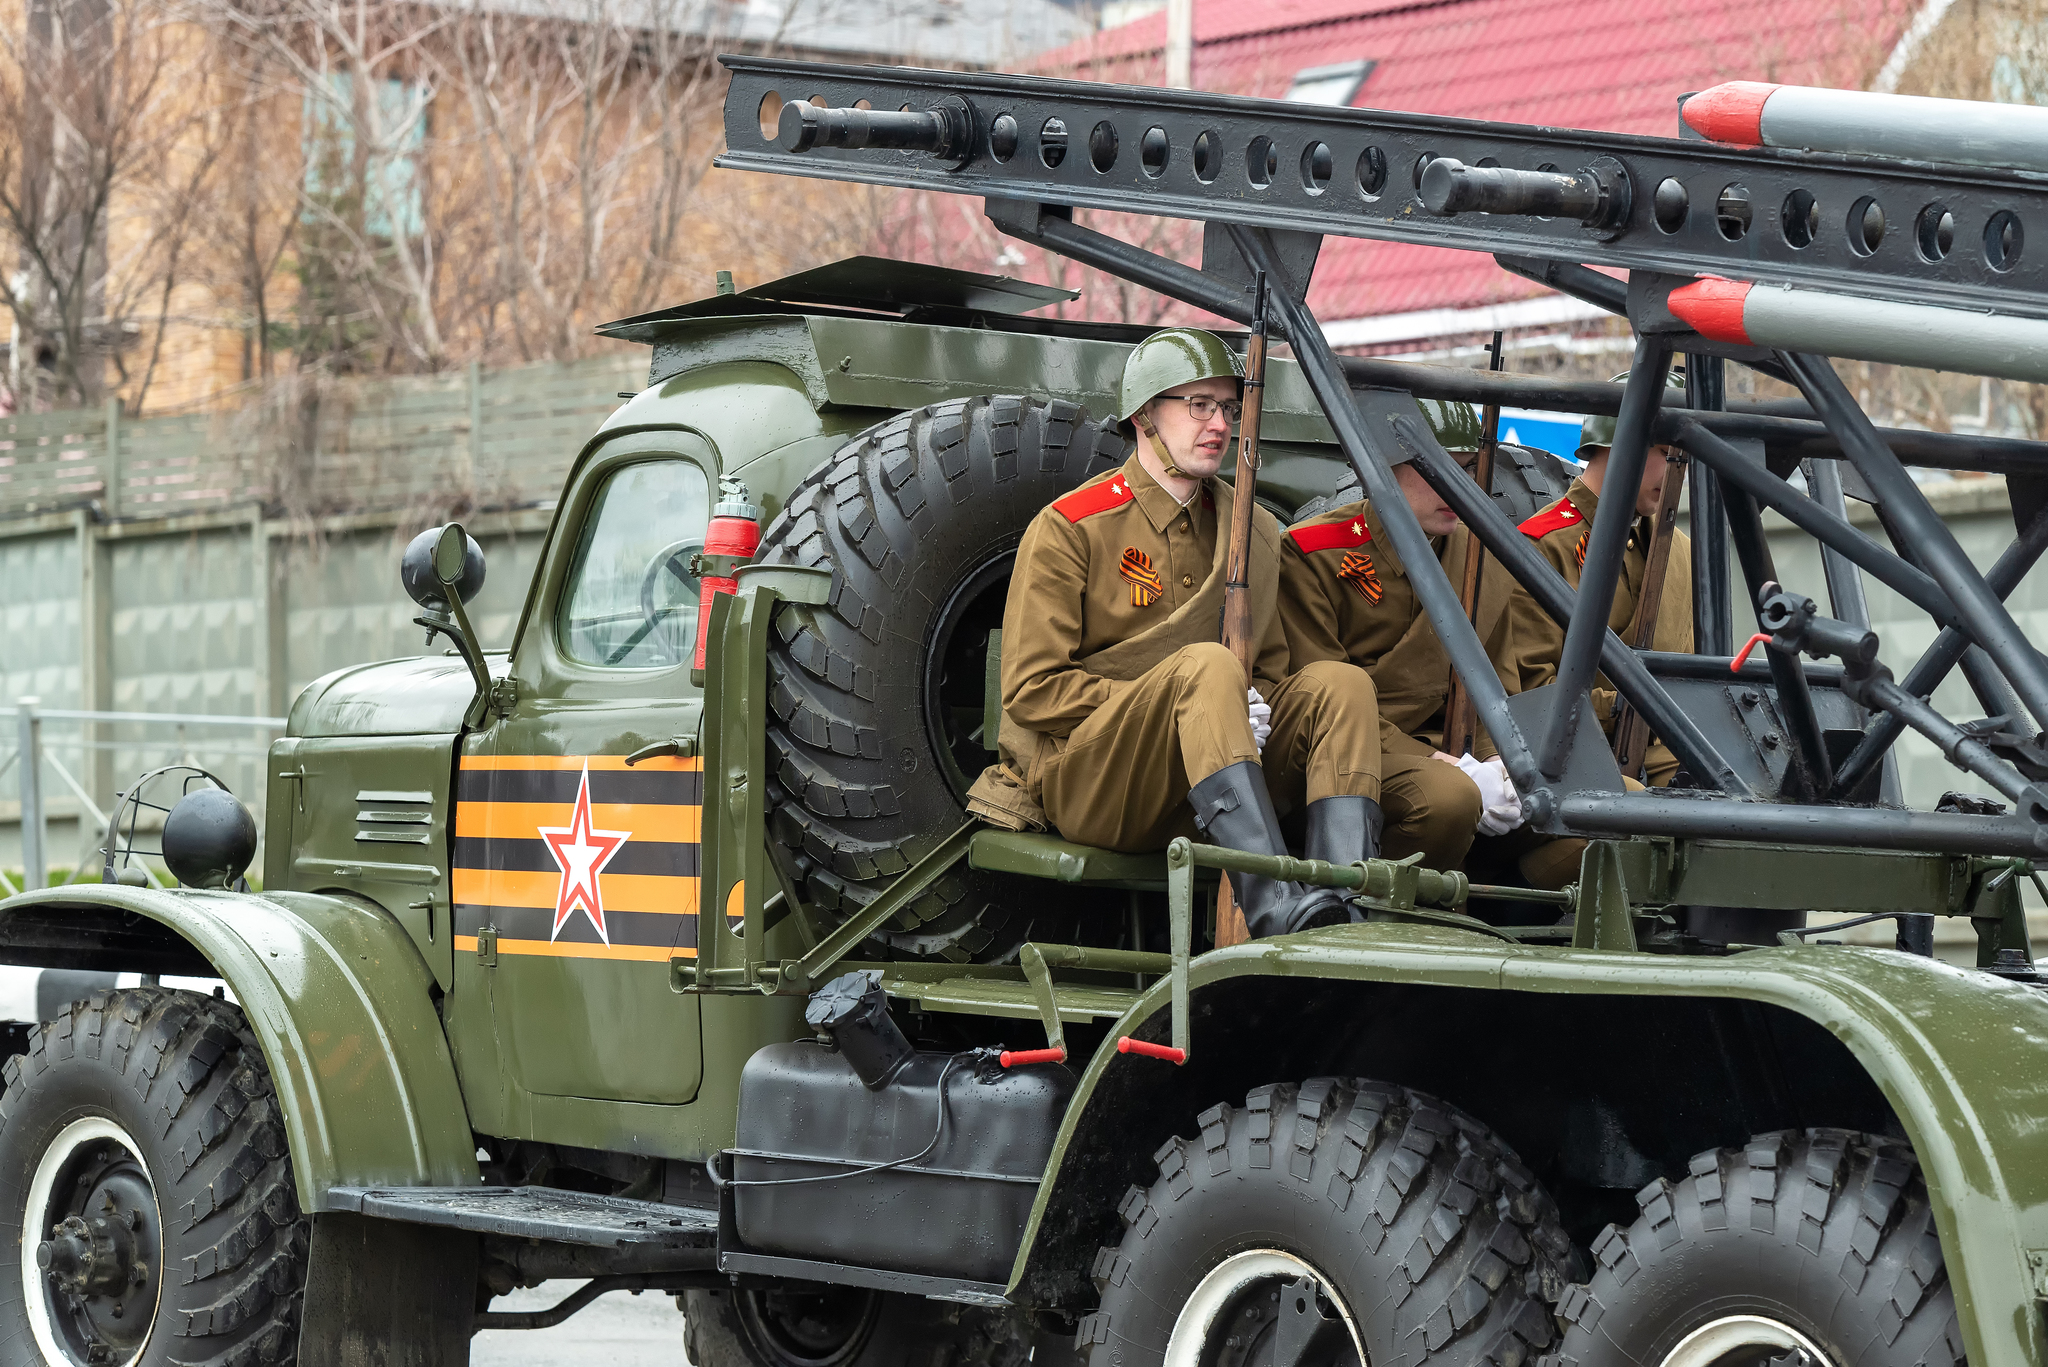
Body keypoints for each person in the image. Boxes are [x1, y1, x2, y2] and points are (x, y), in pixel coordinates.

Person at [967, 328, 1385, 939]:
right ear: (1143, 416)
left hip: (1217, 783)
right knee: (1207, 668)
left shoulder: (1256, 532)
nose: (1218, 424)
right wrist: (1181, 706)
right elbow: (1033, 689)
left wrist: (1250, 707)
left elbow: (1269, 666)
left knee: (1339, 685)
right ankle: (1272, 905)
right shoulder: (1071, 528)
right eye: (1197, 405)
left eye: (1228, 407)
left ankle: (1345, 908)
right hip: (1097, 783)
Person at [1278, 398, 1522, 872]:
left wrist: (1503, 768)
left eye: (1467, 469)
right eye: (1436, 470)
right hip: (1352, 757)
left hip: (1461, 754)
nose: (1456, 486)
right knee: (1448, 799)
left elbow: (1502, 692)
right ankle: (1364, 913)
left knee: (1614, 805)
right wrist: (1455, 768)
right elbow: (1323, 709)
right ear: (1381, 467)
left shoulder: (1484, 560)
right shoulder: (1313, 554)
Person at [1503, 372, 1693, 886]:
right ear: (1617, 443)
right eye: (1663, 450)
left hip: (1674, 767)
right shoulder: (1543, 547)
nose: (1676, 468)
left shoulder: (1677, 552)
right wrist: (1625, 705)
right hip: (1575, 778)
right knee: (1645, 823)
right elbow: (1532, 696)